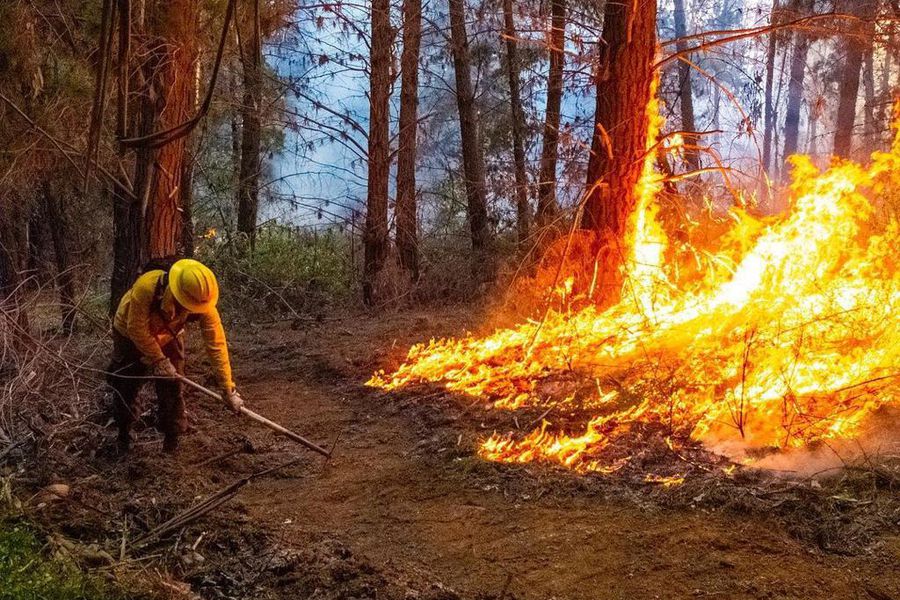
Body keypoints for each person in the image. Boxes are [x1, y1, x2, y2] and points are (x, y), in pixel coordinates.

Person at [107, 258, 243, 453]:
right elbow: (136, 328)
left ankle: (172, 439)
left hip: (169, 335)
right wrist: (159, 360)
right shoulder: (146, 288)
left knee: (172, 385)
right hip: (129, 334)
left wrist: (227, 389)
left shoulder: (204, 302)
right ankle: (124, 435)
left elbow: (216, 345)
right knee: (126, 385)